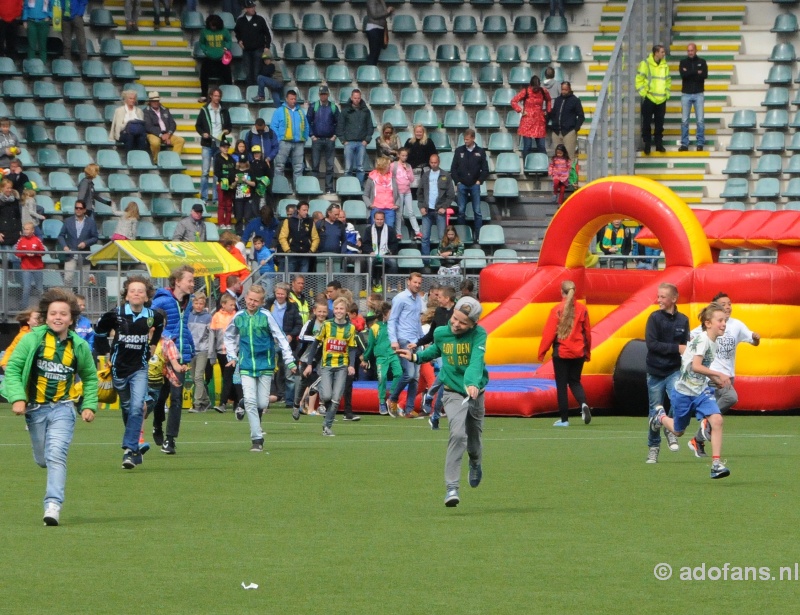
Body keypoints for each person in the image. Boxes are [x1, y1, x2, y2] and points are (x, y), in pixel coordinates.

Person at [2, 288, 98, 526]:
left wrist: (89, 405)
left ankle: (53, 505)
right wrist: (17, 399)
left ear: (71, 318)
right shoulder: (31, 339)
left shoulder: (78, 346)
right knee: (43, 459)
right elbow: (12, 369)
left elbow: (90, 377)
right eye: (53, 313)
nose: (58, 317)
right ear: (45, 316)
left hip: (63, 409)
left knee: (56, 456)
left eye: (63, 314)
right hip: (35, 410)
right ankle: (49, 484)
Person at [397, 296, 488, 507]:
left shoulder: (479, 335)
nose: (456, 324)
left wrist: (472, 383)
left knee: (473, 443)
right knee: (457, 434)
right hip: (452, 392)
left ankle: (475, 463)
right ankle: (451, 488)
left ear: (473, 324)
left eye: (463, 323)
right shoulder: (441, 332)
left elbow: (476, 361)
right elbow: (436, 350)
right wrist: (415, 358)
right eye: (455, 319)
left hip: (474, 392)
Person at [651, 303, 731, 479]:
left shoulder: (713, 343)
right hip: (683, 393)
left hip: (700, 391)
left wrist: (715, 381)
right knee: (678, 431)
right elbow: (696, 366)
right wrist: (718, 374)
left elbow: (699, 370)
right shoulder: (702, 340)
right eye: (720, 320)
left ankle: (716, 464)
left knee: (717, 420)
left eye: (725, 320)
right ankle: (660, 418)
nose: (724, 323)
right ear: (708, 323)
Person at [95, 276, 165, 469]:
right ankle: (135, 450)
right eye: (132, 290)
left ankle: (129, 449)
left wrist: (152, 345)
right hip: (118, 369)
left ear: (146, 296)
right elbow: (99, 332)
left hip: (140, 368)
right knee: (127, 408)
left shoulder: (153, 316)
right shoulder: (116, 315)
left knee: (136, 407)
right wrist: (106, 353)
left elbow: (158, 328)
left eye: (140, 291)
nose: (136, 293)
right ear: (126, 295)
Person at [225, 284, 296, 451]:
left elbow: (281, 337)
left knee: (262, 403)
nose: (251, 303)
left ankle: (242, 403)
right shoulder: (239, 316)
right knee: (251, 401)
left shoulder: (266, 316)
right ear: (245, 299)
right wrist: (232, 356)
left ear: (261, 302)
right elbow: (228, 336)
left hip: (265, 364)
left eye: (256, 301)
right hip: (246, 364)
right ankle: (257, 439)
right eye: (249, 299)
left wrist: (289, 360)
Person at [688, 293, 760, 454]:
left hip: (728, 375)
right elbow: (690, 338)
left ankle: (697, 440)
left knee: (716, 414)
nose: (727, 307)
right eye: (723, 304)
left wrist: (756, 339)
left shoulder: (736, 325)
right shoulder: (708, 326)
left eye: (729, 303)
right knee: (731, 398)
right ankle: (705, 425)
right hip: (713, 375)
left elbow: (752, 340)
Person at [150, 265, 196, 455]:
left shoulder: (189, 302)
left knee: (176, 398)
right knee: (160, 397)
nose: (193, 284)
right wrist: (167, 338)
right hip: (163, 354)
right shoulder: (161, 300)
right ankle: (157, 423)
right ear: (177, 281)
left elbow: (184, 327)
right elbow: (152, 322)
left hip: (181, 355)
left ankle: (170, 439)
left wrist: (190, 347)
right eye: (190, 280)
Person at [645, 283, 689, 464]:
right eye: (658, 296)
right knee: (654, 411)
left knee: (679, 401)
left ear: (673, 299)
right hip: (655, 372)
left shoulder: (683, 320)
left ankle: (670, 427)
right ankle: (653, 448)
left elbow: (686, 348)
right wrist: (676, 348)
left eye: (663, 297)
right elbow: (652, 345)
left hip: (674, 370)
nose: (659, 300)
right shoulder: (654, 318)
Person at [538, 280, 592, 427]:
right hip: (578, 352)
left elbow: (549, 333)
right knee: (575, 381)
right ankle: (584, 404)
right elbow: (587, 333)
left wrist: (542, 352)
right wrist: (587, 352)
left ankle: (564, 419)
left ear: (561, 292)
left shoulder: (557, 309)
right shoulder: (582, 309)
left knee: (561, 385)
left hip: (561, 352)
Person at [302, 297, 358, 436]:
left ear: (346, 311)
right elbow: (316, 343)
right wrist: (309, 363)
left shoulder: (350, 328)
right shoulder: (327, 325)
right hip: (326, 365)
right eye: (337, 309)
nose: (339, 311)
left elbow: (352, 348)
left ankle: (327, 426)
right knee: (326, 396)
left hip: (342, 366)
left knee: (336, 398)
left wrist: (351, 365)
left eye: (342, 309)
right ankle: (318, 385)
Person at [418, 286, 456, 428]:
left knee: (446, 382)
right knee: (445, 375)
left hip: (455, 350)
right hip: (442, 350)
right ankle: (433, 405)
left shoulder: (457, 311)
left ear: (447, 298)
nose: (437, 298)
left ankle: (433, 410)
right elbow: (432, 333)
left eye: (439, 296)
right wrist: (418, 343)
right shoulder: (439, 312)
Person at [387, 272, 424, 417]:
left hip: (415, 340)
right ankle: (393, 398)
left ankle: (409, 409)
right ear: (408, 282)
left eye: (419, 283)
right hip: (403, 339)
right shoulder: (400, 298)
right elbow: (392, 320)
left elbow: (417, 321)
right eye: (415, 282)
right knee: (409, 374)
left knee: (415, 377)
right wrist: (393, 340)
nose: (417, 285)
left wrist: (422, 339)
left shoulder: (418, 299)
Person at [361, 301, 403, 415]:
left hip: (393, 354)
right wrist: (365, 358)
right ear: (384, 314)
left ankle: (392, 397)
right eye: (391, 313)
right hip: (381, 357)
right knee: (382, 377)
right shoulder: (375, 328)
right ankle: (382, 402)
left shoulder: (394, 325)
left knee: (399, 373)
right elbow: (370, 345)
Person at [265, 281, 303, 406]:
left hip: (287, 342)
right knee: (271, 371)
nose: (280, 296)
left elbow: (299, 324)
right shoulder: (269, 305)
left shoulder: (292, 307)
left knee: (288, 373)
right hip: (271, 341)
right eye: (278, 293)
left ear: (286, 294)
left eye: (282, 294)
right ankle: (271, 397)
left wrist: (291, 335)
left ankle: (289, 400)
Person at [418, 153, 455, 270]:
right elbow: (419, 193)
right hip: (427, 210)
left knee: (441, 237)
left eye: (435, 162)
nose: (433, 164)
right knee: (425, 238)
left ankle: (442, 263)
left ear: (439, 162)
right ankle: (425, 263)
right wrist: (421, 206)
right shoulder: (425, 175)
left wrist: (444, 207)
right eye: (431, 162)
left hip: (440, 210)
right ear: (429, 162)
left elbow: (451, 195)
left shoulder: (446, 175)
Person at [195, 87, 232, 203]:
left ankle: (216, 198)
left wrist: (226, 131)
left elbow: (229, 126)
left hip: (219, 144)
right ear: (211, 96)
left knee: (217, 173)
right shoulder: (204, 109)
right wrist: (203, 133)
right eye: (215, 96)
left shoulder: (224, 110)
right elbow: (198, 125)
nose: (217, 98)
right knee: (205, 172)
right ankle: (204, 197)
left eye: (219, 96)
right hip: (207, 143)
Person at [292, 301, 329, 418]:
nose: (322, 314)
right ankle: (297, 404)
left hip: (321, 359)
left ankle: (322, 405)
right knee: (304, 383)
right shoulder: (310, 323)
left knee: (320, 380)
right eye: (319, 311)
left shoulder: (329, 324)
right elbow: (301, 337)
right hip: (306, 358)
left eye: (324, 312)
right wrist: (317, 339)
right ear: (314, 311)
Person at [451, 129, 489, 236]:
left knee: (477, 211)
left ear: (473, 138)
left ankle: (479, 235)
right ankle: (462, 235)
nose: (466, 141)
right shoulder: (459, 151)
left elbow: (485, 170)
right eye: (464, 139)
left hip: (474, 185)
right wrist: (457, 182)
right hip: (462, 184)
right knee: (461, 210)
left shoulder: (480, 151)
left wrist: (479, 181)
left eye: (467, 139)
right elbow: (453, 168)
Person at [270, 90, 308, 192]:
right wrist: (278, 139)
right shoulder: (279, 111)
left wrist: (305, 138)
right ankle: (279, 187)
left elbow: (306, 126)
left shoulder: (301, 112)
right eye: (291, 99)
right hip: (284, 142)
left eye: (295, 99)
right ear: (286, 99)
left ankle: (298, 189)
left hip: (299, 143)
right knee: (279, 165)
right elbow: (273, 126)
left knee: (299, 167)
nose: (293, 101)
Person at [636, 44, 671, 155]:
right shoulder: (645, 64)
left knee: (659, 123)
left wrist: (667, 94)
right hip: (650, 97)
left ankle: (658, 144)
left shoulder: (665, 65)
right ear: (656, 53)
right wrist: (644, 93)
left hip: (661, 99)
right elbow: (639, 80)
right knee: (646, 122)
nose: (664, 54)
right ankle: (647, 143)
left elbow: (668, 81)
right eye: (662, 52)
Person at [211, 293, 242, 413]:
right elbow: (212, 336)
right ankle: (237, 402)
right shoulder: (216, 316)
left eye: (234, 304)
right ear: (223, 305)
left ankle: (223, 403)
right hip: (221, 352)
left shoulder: (236, 316)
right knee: (229, 377)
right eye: (231, 304)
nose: (233, 307)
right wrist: (212, 353)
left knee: (230, 377)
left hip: (233, 352)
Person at [57, 200, 98, 288]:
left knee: (84, 282)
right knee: (68, 279)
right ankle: (68, 300)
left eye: (80, 208)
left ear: (84, 210)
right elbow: (61, 236)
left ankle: (82, 300)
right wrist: (64, 246)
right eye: (76, 208)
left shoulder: (91, 222)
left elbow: (95, 238)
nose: (78, 210)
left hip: (84, 256)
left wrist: (86, 243)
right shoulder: (68, 221)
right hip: (71, 255)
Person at [337, 89, 374, 186]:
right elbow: (340, 126)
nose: (356, 100)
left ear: (360, 98)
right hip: (348, 143)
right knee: (348, 168)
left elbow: (370, 126)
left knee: (360, 168)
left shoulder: (366, 111)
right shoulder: (345, 111)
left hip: (361, 143)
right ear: (351, 98)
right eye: (355, 98)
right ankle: (348, 187)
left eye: (358, 98)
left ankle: (359, 186)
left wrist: (367, 140)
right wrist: (343, 140)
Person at [306, 85, 339, 194]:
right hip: (317, 139)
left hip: (329, 139)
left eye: (325, 94)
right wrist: (312, 135)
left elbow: (338, 123)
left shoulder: (333, 107)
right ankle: (314, 187)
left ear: (328, 94)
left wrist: (334, 136)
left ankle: (329, 188)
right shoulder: (313, 106)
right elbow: (307, 122)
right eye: (321, 94)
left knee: (330, 166)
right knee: (315, 165)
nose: (323, 96)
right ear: (319, 95)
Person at [511, 76, 552, 160]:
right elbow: (513, 101)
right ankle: (526, 165)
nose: (536, 89)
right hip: (527, 121)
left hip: (539, 121)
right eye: (534, 87)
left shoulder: (543, 91)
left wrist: (547, 111)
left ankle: (543, 165)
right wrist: (521, 110)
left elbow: (549, 100)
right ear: (531, 85)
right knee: (527, 146)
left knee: (541, 146)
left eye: (537, 87)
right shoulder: (525, 91)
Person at [187, 291, 214, 414]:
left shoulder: (208, 317)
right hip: (191, 350)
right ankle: (206, 400)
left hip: (203, 349)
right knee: (194, 378)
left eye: (201, 303)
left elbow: (211, 335)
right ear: (192, 303)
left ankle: (197, 404)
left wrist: (211, 351)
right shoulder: (188, 315)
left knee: (198, 376)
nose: (198, 306)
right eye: (196, 303)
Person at [679, 43, 708, 152]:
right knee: (684, 120)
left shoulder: (702, 62)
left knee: (700, 120)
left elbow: (704, 75)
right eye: (688, 51)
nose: (690, 52)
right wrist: (696, 72)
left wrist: (690, 73)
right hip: (686, 94)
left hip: (698, 93)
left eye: (691, 50)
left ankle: (700, 143)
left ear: (696, 50)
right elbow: (683, 75)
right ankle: (684, 144)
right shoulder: (683, 62)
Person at [234, 0, 270, 87]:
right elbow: (237, 32)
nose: (253, 9)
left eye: (253, 7)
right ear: (246, 9)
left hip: (258, 49)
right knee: (248, 73)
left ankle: (258, 91)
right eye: (250, 7)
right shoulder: (240, 20)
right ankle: (250, 91)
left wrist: (267, 46)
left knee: (257, 72)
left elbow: (267, 34)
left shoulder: (260, 19)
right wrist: (239, 40)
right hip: (246, 50)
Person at [362, 210, 399, 293]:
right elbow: (365, 244)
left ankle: (392, 286)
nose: (379, 221)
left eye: (381, 219)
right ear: (374, 219)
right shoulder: (368, 230)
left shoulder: (390, 230)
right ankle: (369, 285)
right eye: (377, 219)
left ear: (384, 219)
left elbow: (394, 244)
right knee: (368, 262)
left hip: (386, 255)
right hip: (373, 255)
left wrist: (390, 251)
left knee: (393, 262)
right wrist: (370, 252)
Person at [197, 14, 233, 102]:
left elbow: (229, 41)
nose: (212, 27)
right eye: (211, 25)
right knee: (203, 75)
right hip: (209, 58)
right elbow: (201, 43)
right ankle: (204, 95)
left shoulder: (224, 31)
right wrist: (205, 50)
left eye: (214, 25)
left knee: (228, 75)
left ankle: (230, 94)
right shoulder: (204, 31)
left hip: (221, 58)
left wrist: (226, 48)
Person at [143, 91, 185, 164]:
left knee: (180, 140)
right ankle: (157, 161)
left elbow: (172, 123)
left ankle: (174, 161)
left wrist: (168, 134)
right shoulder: (146, 111)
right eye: (154, 101)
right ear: (150, 102)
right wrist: (161, 135)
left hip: (166, 133)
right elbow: (148, 127)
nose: (156, 102)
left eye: (157, 101)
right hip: (153, 134)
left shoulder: (165, 109)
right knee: (155, 142)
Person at [278, 201, 319, 273]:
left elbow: (316, 238)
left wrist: (311, 250)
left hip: (305, 255)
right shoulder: (288, 221)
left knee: (302, 279)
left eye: (307, 210)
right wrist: (287, 250)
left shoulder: (310, 221)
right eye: (304, 210)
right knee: (290, 278)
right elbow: (282, 237)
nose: (306, 212)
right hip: (292, 254)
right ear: (298, 210)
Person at [549, 81, 585, 162]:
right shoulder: (558, 100)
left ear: (569, 89)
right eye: (562, 89)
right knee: (557, 156)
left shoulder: (575, 100)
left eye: (566, 90)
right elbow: (554, 113)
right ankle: (559, 174)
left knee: (569, 156)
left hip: (569, 132)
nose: (564, 91)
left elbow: (581, 116)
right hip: (556, 131)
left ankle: (570, 174)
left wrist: (576, 128)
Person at [363, 156, 400, 230]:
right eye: (388, 165)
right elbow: (365, 195)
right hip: (376, 209)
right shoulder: (372, 178)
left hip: (390, 209)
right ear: (383, 166)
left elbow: (397, 194)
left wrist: (397, 204)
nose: (390, 167)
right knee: (375, 231)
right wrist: (370, 205)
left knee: (389, 230)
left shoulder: (392, 178)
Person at [391, 148, 419, 240]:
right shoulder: (393, 165)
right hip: (398, 192)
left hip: (407, 191)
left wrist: (407, 170)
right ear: (398, 155)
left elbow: (411, 179)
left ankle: (417, 231)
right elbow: (390, 177)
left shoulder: (408, 166)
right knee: (399, 213)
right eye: (402, 155)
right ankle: (398, 232)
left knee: (411, 212)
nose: (404, 157)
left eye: (406, 155)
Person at [15, 222, 45, 307]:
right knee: (26, 288)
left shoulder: (37, 240)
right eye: (24, 229)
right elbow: (16, 252)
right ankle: (24, 307)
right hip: (26, 268)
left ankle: (43, 307)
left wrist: (35, 253)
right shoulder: (21, 240)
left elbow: (43, 252)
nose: (25, 231)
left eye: (27, 229)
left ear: (32, 230)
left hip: (37, 268)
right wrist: (25, 253)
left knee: (39, 288)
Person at [231, 158, 255, 235]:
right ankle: (238, 232)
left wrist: (246, 181)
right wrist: (236, 181)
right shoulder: (235, 172)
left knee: (248, 217)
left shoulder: (250, 171)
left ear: (246, 162)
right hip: (238, 198)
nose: (242, 164)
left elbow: (254, 184)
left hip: (248, 198)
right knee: (239, 217)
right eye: (241, 162)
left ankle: (248, 233)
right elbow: (231, 186)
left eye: (244, 162)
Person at [365, 0, 393, 66]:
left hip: (381, 28)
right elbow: (374, 15)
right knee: (373, 52)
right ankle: (369, 71)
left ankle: (373, 70)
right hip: (373, 28)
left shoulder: (382, 1)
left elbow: (384, 15)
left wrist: (390, 12)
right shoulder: (371, 1)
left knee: (377, 53)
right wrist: (387, 11)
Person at [61, 0, 88, 64]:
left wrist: (79, 14)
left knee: (81, 42)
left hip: (76, 17)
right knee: (66, 44)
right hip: (65, 18)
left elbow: (84, 1)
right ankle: (67, 66)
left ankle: (85, 65)